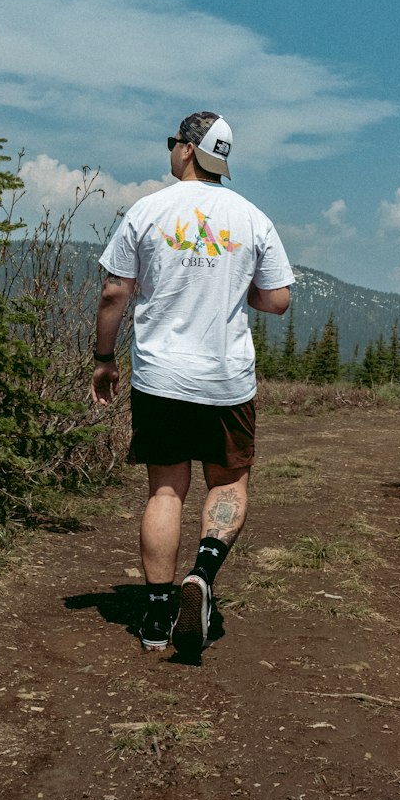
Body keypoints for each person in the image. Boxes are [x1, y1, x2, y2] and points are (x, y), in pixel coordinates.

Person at [92, 110, 293, 654]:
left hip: (161, 377)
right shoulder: (253, 218)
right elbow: (277, 300)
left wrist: (104, 357)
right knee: (227, 484)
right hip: (226, 379)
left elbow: (115, 293)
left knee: (165, 488)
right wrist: (237, 292)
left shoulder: (149, 209)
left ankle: (156, 616)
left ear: (185, 149)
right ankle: (202, 575)